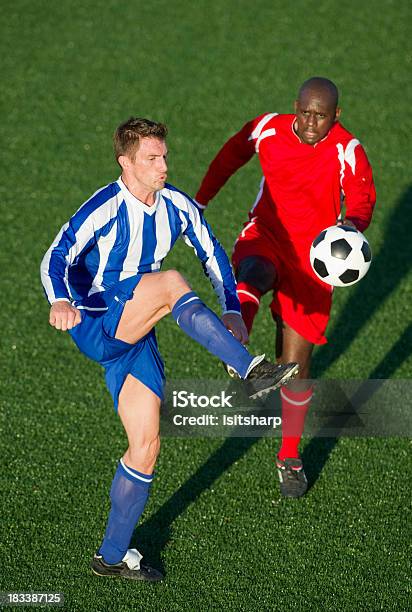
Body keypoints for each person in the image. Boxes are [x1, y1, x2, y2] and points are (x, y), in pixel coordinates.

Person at [40, 117, 299, 581]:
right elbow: (57, 254)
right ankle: (250, 370)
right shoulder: (104, 207)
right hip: (99, 321)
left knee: (145, 446)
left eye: (164, 156)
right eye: (151, 159)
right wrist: (59, 299)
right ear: (126, 163)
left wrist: (233, 309)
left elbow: (213, 252)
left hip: (136, 334)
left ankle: (112, 556)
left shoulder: (176, 204)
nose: (163, 166)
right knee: (172, 281)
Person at [195, 77, 376, 498]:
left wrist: (353, 225)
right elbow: (231, 154)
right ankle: (235, 351)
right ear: (296, 106)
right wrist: (200, 203)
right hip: (268, 236)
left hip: (315, 261)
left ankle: (289, 456)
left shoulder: (348, 149)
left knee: (296, 367)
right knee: (252, 273)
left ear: (337, 115)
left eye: (322, 116)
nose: (312, 123)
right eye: (306, 112)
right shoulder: (268, 129)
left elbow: (363, 199)